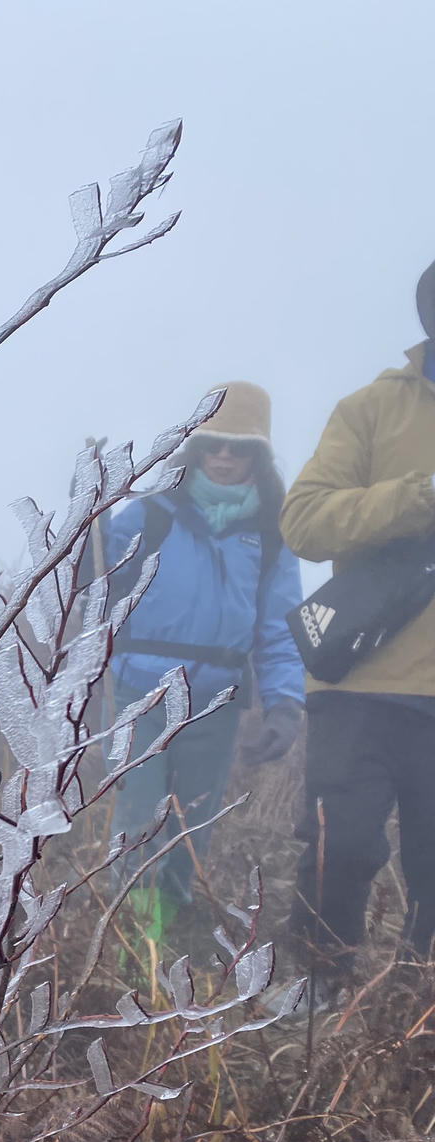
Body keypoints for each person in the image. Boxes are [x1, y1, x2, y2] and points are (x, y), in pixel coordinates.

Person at [101, 382, 305, 944]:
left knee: (191, 827)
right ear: (194, 447)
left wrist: (285, 703)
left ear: (257, 456)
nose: (222, 455)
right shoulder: (146, 517)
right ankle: (134, 953)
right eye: (211, 442)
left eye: (237, 446)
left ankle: (167, 939)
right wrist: (83, 536)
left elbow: (280, 632)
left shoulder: (270, 535)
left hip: (216, 702)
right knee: (141, 821)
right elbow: (91, 592)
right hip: (136, 694)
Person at [280, 265, 435, 985]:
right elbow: (304, 523)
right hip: (360, 684)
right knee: (338, 852)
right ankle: (317, 988)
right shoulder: (369, 410)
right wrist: (419, 497)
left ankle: (418, 1020)